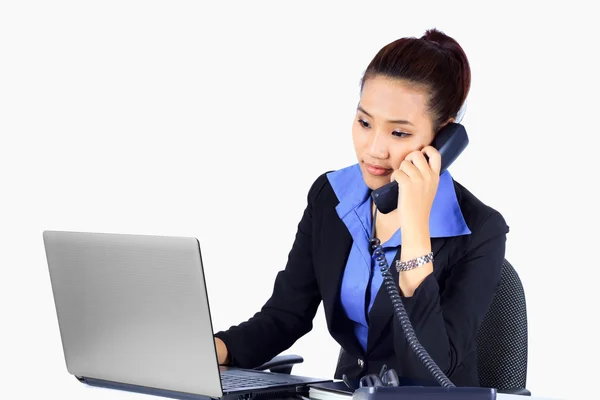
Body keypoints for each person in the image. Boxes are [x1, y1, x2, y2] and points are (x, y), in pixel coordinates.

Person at [213, 28, 509, 388]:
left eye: (399, 133)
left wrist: (415, 226)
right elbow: (286, 314)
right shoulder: (332, 196)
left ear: (442, 138)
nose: (374, 149)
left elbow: (431, 373)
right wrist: (215, 349)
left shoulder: (480, 230)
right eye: (365, 123)